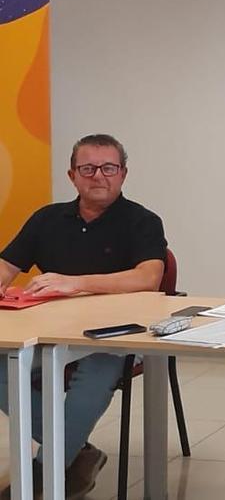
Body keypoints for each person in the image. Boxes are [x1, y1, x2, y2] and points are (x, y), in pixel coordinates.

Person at [0, 134, 167, 500]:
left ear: (123, 174)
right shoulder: (46, 219)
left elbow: (149, 277)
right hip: (50, 333)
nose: (98, 176)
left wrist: (74, 283)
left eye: (108, 168)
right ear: (72, 175)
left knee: (96, 371)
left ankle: (44, 473)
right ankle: (78, 452)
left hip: (120, 337)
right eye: (87, 168)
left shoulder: (143, 221)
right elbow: (6, 267)